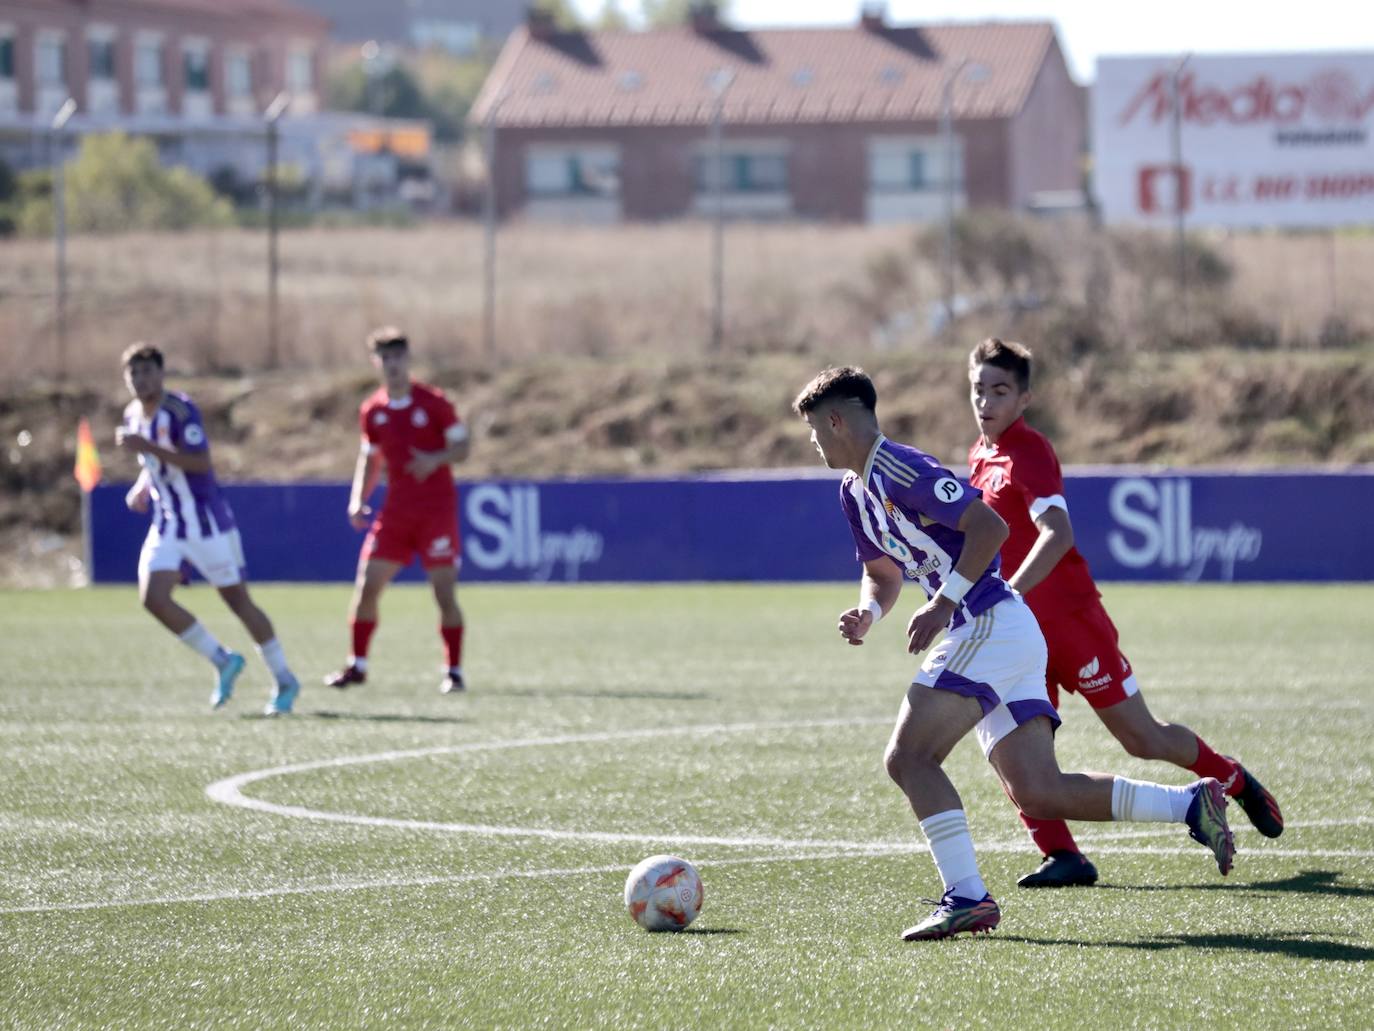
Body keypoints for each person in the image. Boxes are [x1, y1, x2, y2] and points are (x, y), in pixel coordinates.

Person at [793, 365, 1235, 942]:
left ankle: (968, 898)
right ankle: (1190, 805)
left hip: (987, 623)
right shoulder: (854, 491)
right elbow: (882, 573)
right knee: (1039, 790)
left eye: (813, 430)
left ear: (835, 420)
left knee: (908, 758)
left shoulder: (899, 466)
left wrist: (943, 604)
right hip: (1002, 631)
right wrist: (871, 613)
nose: (812, 442)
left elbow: (991, 527)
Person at [966, 337, 1283, 889]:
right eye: (978, 389)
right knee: (1009, 742)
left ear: (1025, 398)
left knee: (1142, 739)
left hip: (1070, 624)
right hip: (1020, 637)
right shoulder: (979, 455)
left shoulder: (1030, 451)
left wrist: (1010, 591)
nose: (986, 401)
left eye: (1000, 390)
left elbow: (1058, 534)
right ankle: (1062, 853)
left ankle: (1232, 778)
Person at [115, 344, 300, 715]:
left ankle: (284, 678)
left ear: (162, 374)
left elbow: (200, 463)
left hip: (206, 523)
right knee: (153, 598)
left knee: (238, 602)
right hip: (167, 522)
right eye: (134, 373)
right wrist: (142, 486)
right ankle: (222, 659)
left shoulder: (181, 410)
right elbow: (153, 462)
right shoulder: (132, 414)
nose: (141, 380)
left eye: (147, 372)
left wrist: (147, 447)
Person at [325, 327, 471, 694]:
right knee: (367, 588)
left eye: (397, 357)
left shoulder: (433, 402)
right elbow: (369, 459)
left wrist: (434, 459)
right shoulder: (372, 411)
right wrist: (357, 498)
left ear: (408, 359)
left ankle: (453, 671)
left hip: (435, 512)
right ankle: (357, 666)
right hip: (395, 514)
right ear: (376, 363)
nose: (392, 365)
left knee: (443, 595)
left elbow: (463, 446)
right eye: (385, 358)